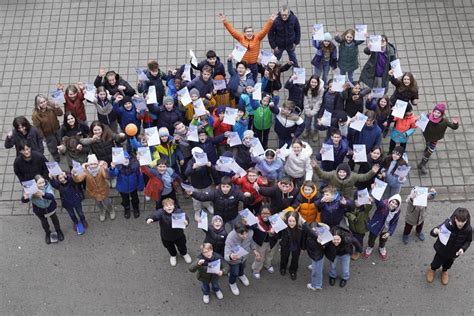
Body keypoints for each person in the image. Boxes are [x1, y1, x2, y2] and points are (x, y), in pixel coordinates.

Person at [218, 12, 277, 81]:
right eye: (247, 32)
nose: (249, 33)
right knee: (242, 80)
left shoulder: (257, 37)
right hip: (243, 64)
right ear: (244, 33)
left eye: (251, 31)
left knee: (254, 79)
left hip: (253, 65)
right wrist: (224, 21)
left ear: (253, 32)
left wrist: (271, 20)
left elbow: (265, 30)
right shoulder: (241, 37)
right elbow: (232, 31)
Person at [426, 207, 471, 285]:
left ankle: (444, 271)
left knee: (448, 264)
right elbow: (436, 230)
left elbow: (468, 240)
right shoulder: (448, 223)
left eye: (463, 221)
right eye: (459, 221)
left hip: (454, 253)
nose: (460, 223)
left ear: (466, 220)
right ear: (455, 218)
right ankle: (432, 269)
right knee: (436, 262)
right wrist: (435, 231)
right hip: (442, 250)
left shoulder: (469, 230)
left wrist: (463, 249)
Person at [188, 176, 254, 228]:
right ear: (220, 186)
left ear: (231, 186)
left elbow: (248, 201)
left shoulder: (236, 193)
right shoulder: (215, 193)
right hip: (219, 217)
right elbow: (203, 197)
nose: (225, 189)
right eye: (223, 186)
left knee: (235, 231)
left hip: (233, 216)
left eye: (227, 187)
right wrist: (192, 193)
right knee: (218, 232)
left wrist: (250, 196)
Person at [146, 198, 192, 267]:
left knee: (182, 246)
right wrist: (150, 218)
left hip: (179, 235)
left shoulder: (179, 211)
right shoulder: (161, 212)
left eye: (171, 205)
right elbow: (155, 215)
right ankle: (173, 256)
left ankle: (184, 254)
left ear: (174, 206)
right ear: (164, 208)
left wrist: (186, 222)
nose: (169, 207)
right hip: (166, 237)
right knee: (170, 248)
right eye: (166, 206)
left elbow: (186, 218)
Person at [21, 174, 64, 244]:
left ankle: (58, 231)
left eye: (43, 182)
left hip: (51, 208)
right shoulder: (31, 190)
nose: (42, 184)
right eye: (40, 183)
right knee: (44, 223)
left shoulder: (47, 186)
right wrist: (25, 197)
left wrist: (43, 194)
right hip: (40, 211)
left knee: (55, 220)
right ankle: (47, 233)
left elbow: (51, 196)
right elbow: (24, 200)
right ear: (35, 184)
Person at [418, 103, 459, 175]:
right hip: (427, 135)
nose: (436, 114)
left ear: (441, 114)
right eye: (435, 112)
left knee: (430, 151)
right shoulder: (428, 116)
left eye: (438, 113)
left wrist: (455, 123)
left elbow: (453, 127)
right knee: (428, 144)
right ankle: (426, 148)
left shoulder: (445, 121)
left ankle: (422, 164)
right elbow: (421, 122)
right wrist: (419, 119)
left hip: (435, 138)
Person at [72, 154, 115, 222]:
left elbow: (107, 177)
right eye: (91, 164)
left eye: (95, 164)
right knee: (98, 203)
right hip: (93, 192)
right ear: (88, 164)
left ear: (97, 163)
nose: (93, 166)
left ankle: (111, 210)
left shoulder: (101, 169)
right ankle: (102, 211)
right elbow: (78, 180)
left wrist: (106, 170)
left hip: (103, 189)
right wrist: (74, 175)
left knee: (107, 202)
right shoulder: (85, 171)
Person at [224, 222, 260, 296]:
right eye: (242, 234)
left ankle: (241, 275)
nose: (245, 236)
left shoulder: (250, 233)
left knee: (242, 267)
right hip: (234, 261)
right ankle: (232, 283)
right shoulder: (230, 238)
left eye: (246, 233)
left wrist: (255, 250)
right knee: (234, 273)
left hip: (244, 257)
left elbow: (251, 242)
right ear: (237, 232)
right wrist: (231, 256)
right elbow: (226, 255)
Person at [362, 194, 401, 261]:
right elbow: (379, 201)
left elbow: (394, 223)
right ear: (389, 201)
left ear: (398, 206)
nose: (393, 204)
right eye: (392, 202)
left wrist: (389, 232)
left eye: (396, 204)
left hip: (385, 229)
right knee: (371, 239)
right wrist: (376, 190)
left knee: (383, 240)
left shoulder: (397, 212)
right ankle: (370, 247)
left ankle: (381, 247)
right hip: (376, 226)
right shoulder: (383, 206)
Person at [311, 161, 378, 198]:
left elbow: (364, 177)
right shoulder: (332, 174)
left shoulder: (353, 176)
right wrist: (316, 167)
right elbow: (322, 174)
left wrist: (372, 172)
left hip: (346, 195)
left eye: (344, 172)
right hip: (334, 194)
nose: (341, 174)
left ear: (347, 173)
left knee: (348, 205)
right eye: (340, 172)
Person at [247, 205, 280, 280]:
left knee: (270, 254)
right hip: (261, 243)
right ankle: (256, 270)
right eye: (263, 213)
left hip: (272, 242)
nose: (265, 215)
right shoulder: (256, 220)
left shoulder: (275, 220)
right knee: (259, 257)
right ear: (259, 213)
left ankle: (267, 264)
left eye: (267, 213)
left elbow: (280, 231)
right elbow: (248, 227)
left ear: (271, 214)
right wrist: (246, 223)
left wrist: (274, 233)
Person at [108, 151, 144, 219]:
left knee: (135, 199)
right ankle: (127, 209)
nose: (125, 160)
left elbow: (139, 175)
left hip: (133, 187)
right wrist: (112, 169)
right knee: (125, 200)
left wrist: (140, 186)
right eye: (123, 159)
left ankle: (136, 208)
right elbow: (112, 174)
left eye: (126, 158)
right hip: (123, 189)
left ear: (129, 158)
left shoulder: (134, 165)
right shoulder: (118, 167)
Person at [31, 94, 63, 162]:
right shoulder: (36, 115)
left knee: (61, 141)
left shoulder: (51, 106)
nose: (44, 104)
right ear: (37, 104)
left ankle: (62, 150)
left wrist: (57, 108)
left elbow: (60, 114)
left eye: (44, 101)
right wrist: (43, 137)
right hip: (48, 134)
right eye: (41, 103)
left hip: (57, 129)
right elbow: (37, 127)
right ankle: (56, 156)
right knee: (53, 146)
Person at [302, 220, 330, 291]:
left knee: (316, 271)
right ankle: (317, 283)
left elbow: (326, 243)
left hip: (317, 256)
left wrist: (321, 242)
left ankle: (316, 285)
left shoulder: (316, 237)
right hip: (315, 255)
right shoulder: (320, 234)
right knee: (318, 268)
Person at [279, 211, 303, 280]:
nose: (291, 223)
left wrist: (303, 248)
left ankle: (293, 271)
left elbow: (303, 239)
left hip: (296, 246)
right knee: (284, 257)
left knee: (295, 259)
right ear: (287, 220)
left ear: (297, 220)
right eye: (290, 221)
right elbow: (277, 235)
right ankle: (283, 268)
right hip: (285, 245)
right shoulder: (283, 227)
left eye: (293, 221)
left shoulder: (300, 228)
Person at [302, 75, 324, 141]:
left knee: (316, 122)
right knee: (307, 121)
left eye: (315, 82)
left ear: (318, 83)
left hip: (316, 109)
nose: (313, 84)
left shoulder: (321, 89)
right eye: (312, 82)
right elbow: (305, 99)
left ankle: (315, 131)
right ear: (310, 82)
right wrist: (307, 110)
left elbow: (319, 101)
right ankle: (307, 129)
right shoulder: (306, 87)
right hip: (308, 108)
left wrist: (313, 112)